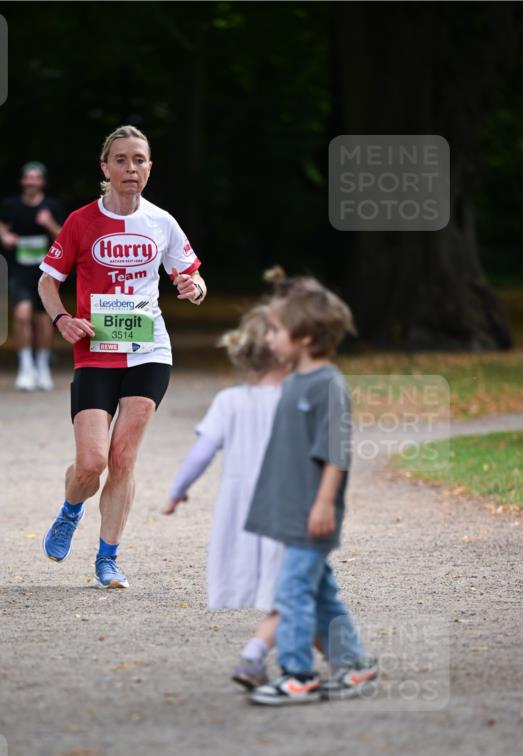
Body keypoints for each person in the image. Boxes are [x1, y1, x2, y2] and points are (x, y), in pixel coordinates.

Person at [37, 125, 207, 589]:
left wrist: (193, 288)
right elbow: (48, 281)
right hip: (94, 349)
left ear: (149, 167)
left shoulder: (162, 223)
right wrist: (62, 320)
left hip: (149, 350)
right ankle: (71, 509)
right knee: (91, 463)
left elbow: (190, 275)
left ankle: (107, 558)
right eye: (121, 160)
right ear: (105, 168)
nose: (131, 169)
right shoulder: (79, 222)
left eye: (139, 160)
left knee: (123, 456)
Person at [244, 274, 378, 706]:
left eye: (276, 330)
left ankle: (298, 672)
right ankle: (354, 665)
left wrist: (323, 504)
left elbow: (336, 452)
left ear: (303, 337)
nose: (269, 337)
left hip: (313, 513)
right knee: (320, 592)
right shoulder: (294, 380)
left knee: (293, 592)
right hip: (292, 512)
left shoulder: (327, 385)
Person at [163, 303, 287, 689]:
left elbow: (201, 453)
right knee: (296, 593)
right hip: (287, 509)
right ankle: (254, 655)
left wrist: (176, 492)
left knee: (297, 592)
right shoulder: (299, 399)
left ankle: (344, 659)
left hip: (242, 512)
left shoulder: (229, 402)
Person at [0, 162, 65, 390]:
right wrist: (5, 236)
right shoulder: (11, 205)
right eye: (28, 178)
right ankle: (25, 367)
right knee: (23, 314)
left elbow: (64, 237)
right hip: (19, 270)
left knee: (44, 321)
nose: (31, 182)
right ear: (23, 181)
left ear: (42, 182)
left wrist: (49, 223)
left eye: (36, 178)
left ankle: (42, 366)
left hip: (46, 273)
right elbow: (0, 224)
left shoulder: (51, 207)